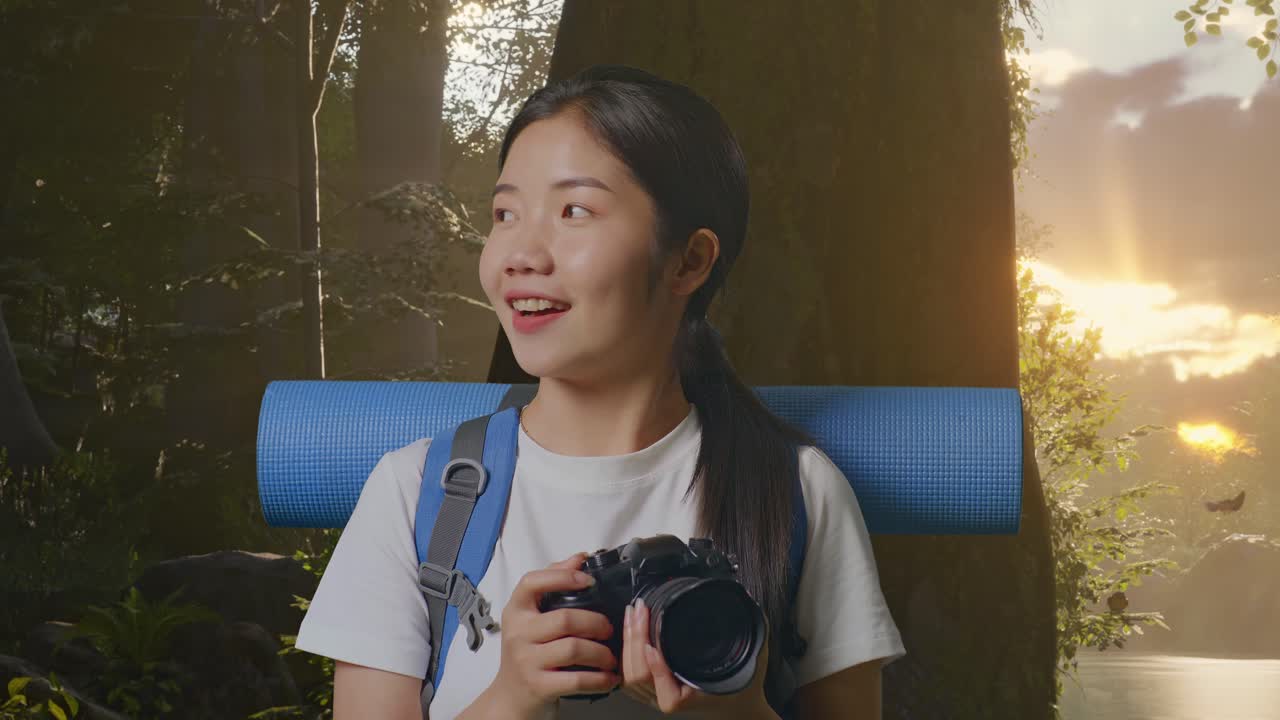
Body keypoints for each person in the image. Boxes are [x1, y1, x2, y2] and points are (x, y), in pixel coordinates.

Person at [295, 64, 905, 720]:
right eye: (505, 213)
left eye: (574, 210)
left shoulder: (795, 493)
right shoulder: (419, 496)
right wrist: (510, 699)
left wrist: (735, 711)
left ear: (689, 260)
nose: (520, 253)